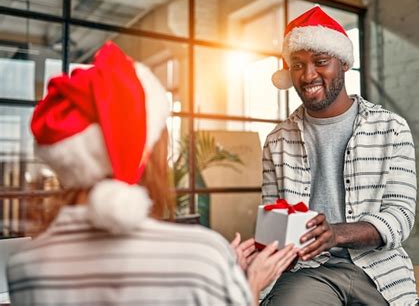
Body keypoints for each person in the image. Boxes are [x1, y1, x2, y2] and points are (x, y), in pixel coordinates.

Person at [7, 41, 297, 305]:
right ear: (147, 152)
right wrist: (251, 282)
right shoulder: (202, 255)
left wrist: (218, 269)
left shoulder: (24, 266)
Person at [260, 6, 418, 305]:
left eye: (320, 62)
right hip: (308, 271)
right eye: (297, 65)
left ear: (343, 63)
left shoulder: (391, 128)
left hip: (380, 270)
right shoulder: (276, 141)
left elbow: (401, 217)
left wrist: (336, 234)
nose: (308, 76)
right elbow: (273, 220)